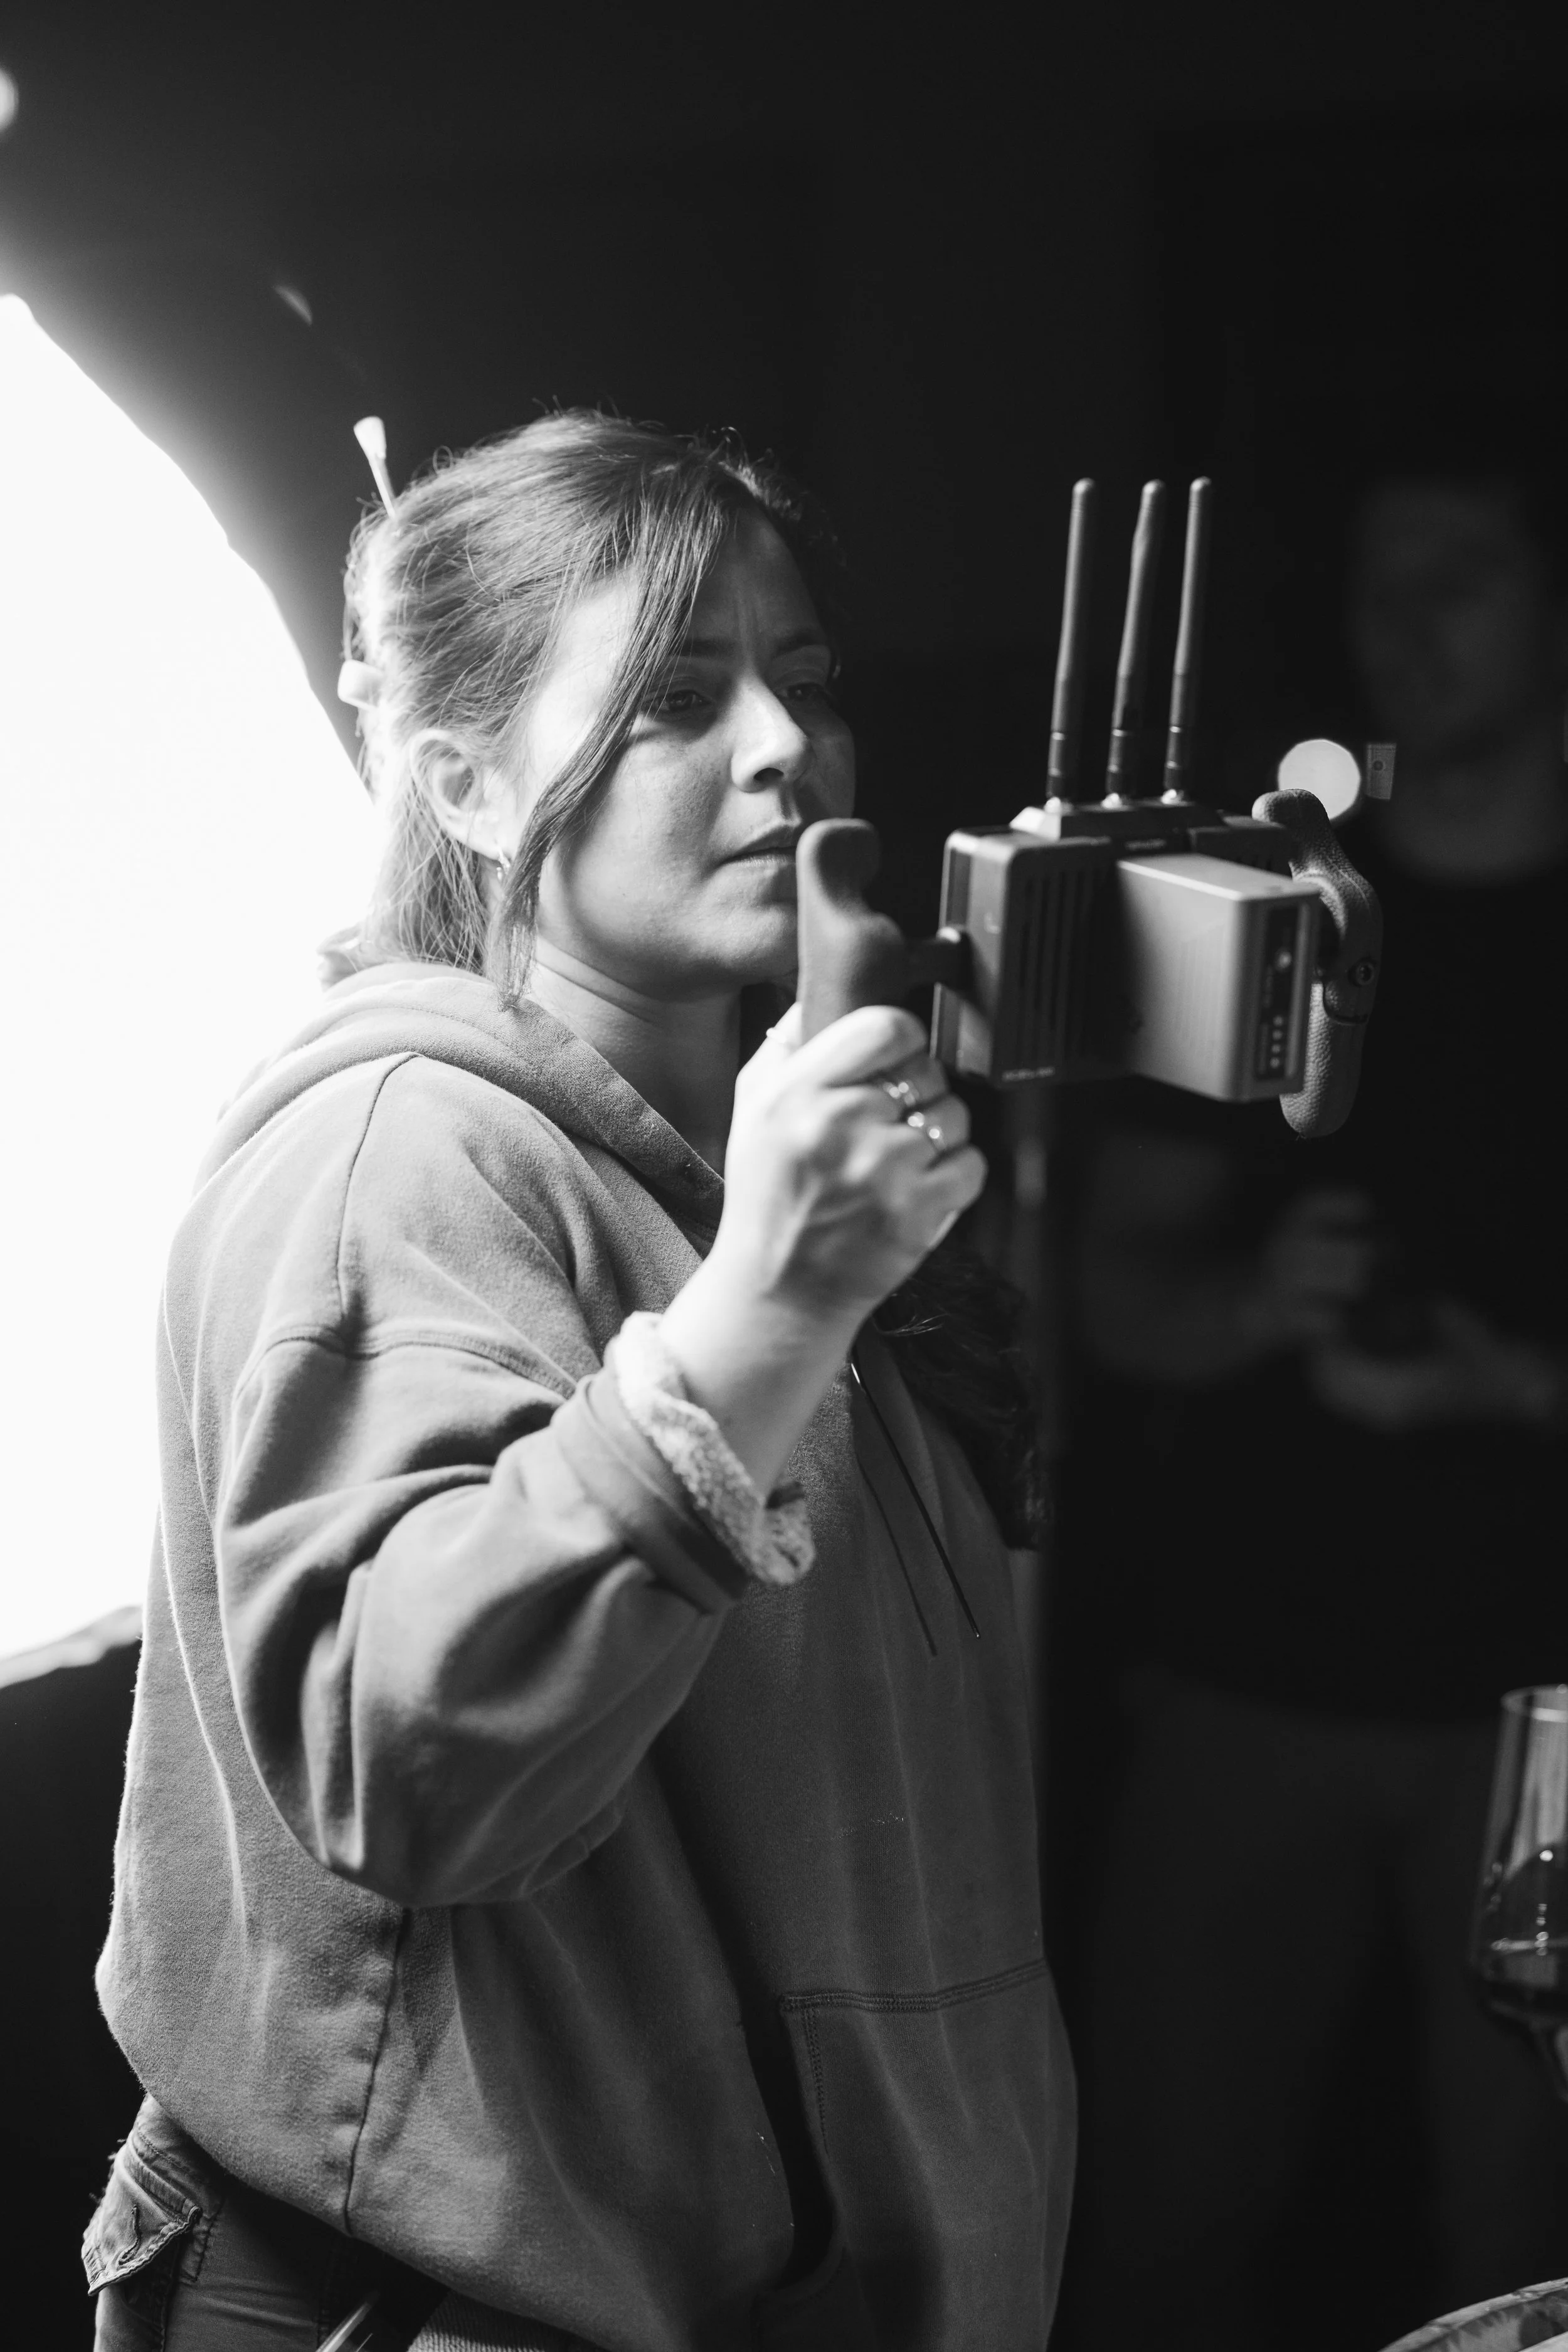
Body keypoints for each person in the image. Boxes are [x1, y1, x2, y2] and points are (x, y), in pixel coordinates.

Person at [83, 413, 1073, 2351]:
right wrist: (769, 1304)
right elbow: (411, 1761)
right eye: (675, 698)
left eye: (804, 683)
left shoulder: (759, 1154)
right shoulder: (400, 1150)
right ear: (460, 779)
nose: (786, 747)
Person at [1057, 467, 1568, 2349]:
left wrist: (1497, 1379)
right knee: (1165, 2227)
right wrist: (1256, 1301)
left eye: (1459, 572)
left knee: (1521, 2253)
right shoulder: (1280, 910)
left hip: (1537, 1722)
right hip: (1246, 1681)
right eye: (1376, 583)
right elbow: (1114, 1293)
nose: (1403, 624)